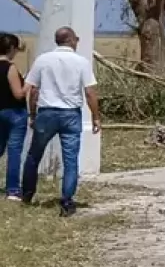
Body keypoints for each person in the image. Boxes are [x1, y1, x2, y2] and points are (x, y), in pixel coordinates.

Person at [22, 27, 101, 216]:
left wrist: (32, 114)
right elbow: (89, 92)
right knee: (71, 160)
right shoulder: (81, 62)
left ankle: (27, 194)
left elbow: (33, 90)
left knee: (34, 155)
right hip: (70, 114)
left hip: (47, 112)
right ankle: (66, 201)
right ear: (71, 40)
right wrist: (96, 116)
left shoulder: (43, 60)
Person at [0, 33, 29, 201]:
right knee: (14, 151)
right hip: (14, 112)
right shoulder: (10, 68)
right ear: (11, 48)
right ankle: (12, 189)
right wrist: (28, 85)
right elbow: (18, 94)